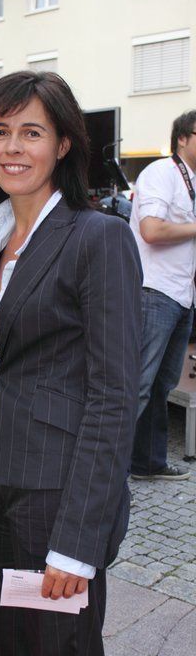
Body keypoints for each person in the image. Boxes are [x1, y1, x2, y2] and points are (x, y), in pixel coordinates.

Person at [0, 71, 142, 656]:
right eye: (0, 131)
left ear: (63, 144)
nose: (12, 147)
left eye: (31, 132)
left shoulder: (98, 237)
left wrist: (78, 540)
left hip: (54, 498)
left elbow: (114, 395)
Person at [129, 110, 196, 482]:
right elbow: (152, 230)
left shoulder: (192, 182)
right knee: (137, 385)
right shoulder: (161, 173)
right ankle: (107, 474)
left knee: (160, 387)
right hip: (153, 292)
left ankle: (147, 463)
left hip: (181, 295)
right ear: (182, 138)